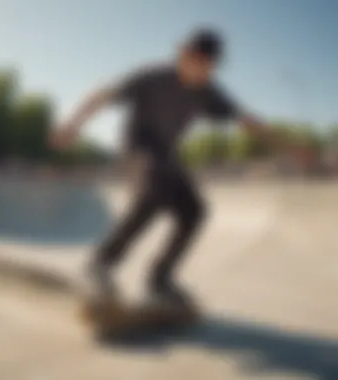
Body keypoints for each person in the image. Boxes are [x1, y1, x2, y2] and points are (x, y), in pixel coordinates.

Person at [51, 28, 284, 305]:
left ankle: (159, 279)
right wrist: (73, 124)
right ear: (182, 55)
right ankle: (101, 264)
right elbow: (102, 95)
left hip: (166, 155)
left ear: (212, 68)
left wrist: (285, 144)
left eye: (206, 67)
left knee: (194, 211)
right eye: (193, 61)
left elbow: (243, 118)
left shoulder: (209, 92)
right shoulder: (152, 77)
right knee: (155, 187)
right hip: (136, 148)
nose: (198, 71)